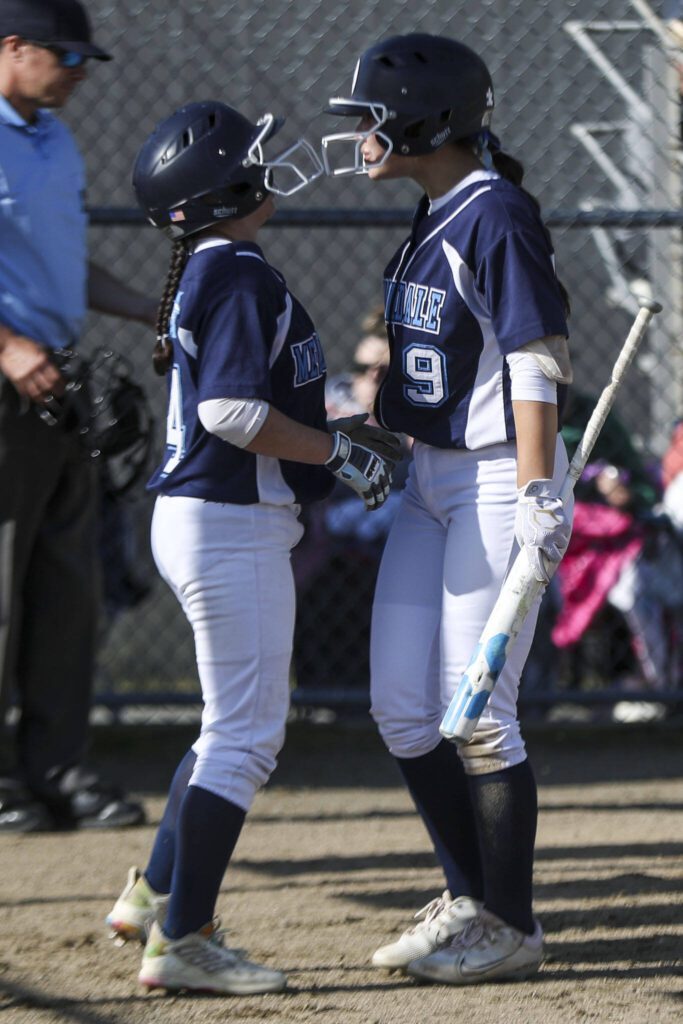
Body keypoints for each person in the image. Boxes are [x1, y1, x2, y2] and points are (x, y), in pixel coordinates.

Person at [105, 99, 399, 996]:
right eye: (254, 158)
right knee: (247, 737)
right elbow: (228, 414)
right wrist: (340, 450)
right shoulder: (233, 269)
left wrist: (342, 428)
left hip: (213, 519)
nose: (272, 164)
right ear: (222, 186)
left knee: (224, 726)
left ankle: (153, 894)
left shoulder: (218, 264)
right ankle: (184, 940)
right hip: (227, 525)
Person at [323, 33, 573, 984]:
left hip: (495, 475)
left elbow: (535, 356)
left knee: (480, 713)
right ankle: (468, 895)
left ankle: (512, 923)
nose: (358, 136)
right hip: (430, 479)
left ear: (428, 119)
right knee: (400, 706)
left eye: (371, 118)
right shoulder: (435, 212)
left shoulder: (494, 211)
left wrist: (539, 488)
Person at [0, 0, 160, 833]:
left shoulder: (51, 139)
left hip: (58, 388)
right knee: (0, 590)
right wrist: (5, 346)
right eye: (65, 53)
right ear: (13, 46)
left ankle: (60, 769)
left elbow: (61, 260)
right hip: (6, 383)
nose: (78, 71)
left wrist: (144, 309)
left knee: (69, 591)